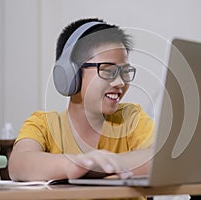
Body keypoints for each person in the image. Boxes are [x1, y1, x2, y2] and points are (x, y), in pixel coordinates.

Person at [8, 18, 154, 182]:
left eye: (125, 71)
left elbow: (162, 157)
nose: (120, 82)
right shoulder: (43, 124)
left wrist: (112, 164)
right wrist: (76, 165)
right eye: (107, 70)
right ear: (71, 75)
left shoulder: (131, 118)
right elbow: (18, 164)